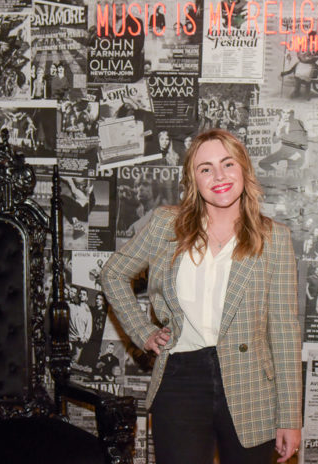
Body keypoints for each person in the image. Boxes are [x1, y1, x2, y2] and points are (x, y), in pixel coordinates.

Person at [102, 129, 302, 464]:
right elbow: (113, 273)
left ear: (244, 169)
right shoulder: (165, 225)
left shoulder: (274, 238)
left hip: (251, 385)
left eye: (228, 164)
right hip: (180, 381)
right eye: (205, 168)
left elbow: (284, 330)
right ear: (193, 179)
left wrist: (290, 417)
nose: (219, 176)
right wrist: (142, 331)